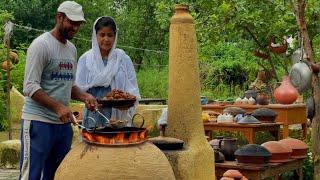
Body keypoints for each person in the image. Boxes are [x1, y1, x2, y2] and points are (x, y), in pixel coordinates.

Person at [20, 1, 97, 179]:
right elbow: (30, 86)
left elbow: (68, 85)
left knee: (58, 174)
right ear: (59, 17)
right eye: (72, 22)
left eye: (78, 24)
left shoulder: (71, 49)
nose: (75, 28)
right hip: (38, 122)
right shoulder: (41, 45)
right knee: (32, 175)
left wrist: (84, 96)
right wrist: (58, 107)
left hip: (63, 126)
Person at [76, 16, 140, 128]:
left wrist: (126, 103)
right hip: (95, 114)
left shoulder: (123, 59)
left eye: (110, 35)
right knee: (94, 143)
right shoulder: (86, 59)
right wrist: (88, 99)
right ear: (95, 35)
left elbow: (132, 89)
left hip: (119, 116)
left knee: (118, 144)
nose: (106, 39)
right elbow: (77, 89)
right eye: (102, 35)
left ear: (115, 36)